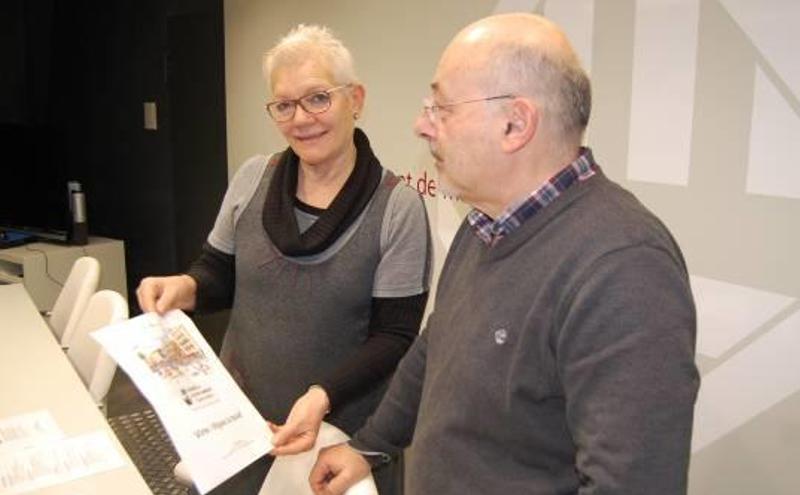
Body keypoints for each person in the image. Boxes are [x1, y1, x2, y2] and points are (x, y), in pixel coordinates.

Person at [309, 13, 699, 495]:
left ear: (515, 124)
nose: (421, 126)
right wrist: (370, 443)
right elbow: (437, 348)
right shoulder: (487, 221)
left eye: (441, 108)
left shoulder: (624, 266)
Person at [136, 24, 431, 494]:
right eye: (284, 105)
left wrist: (322, 397)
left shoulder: (397, 208)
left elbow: (394, 337)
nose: (301, 118)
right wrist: (186, 287)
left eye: (318, 98)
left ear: (355, 98)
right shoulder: (254, 177)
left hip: (337, 443)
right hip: (238, 427)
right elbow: (219, 271)